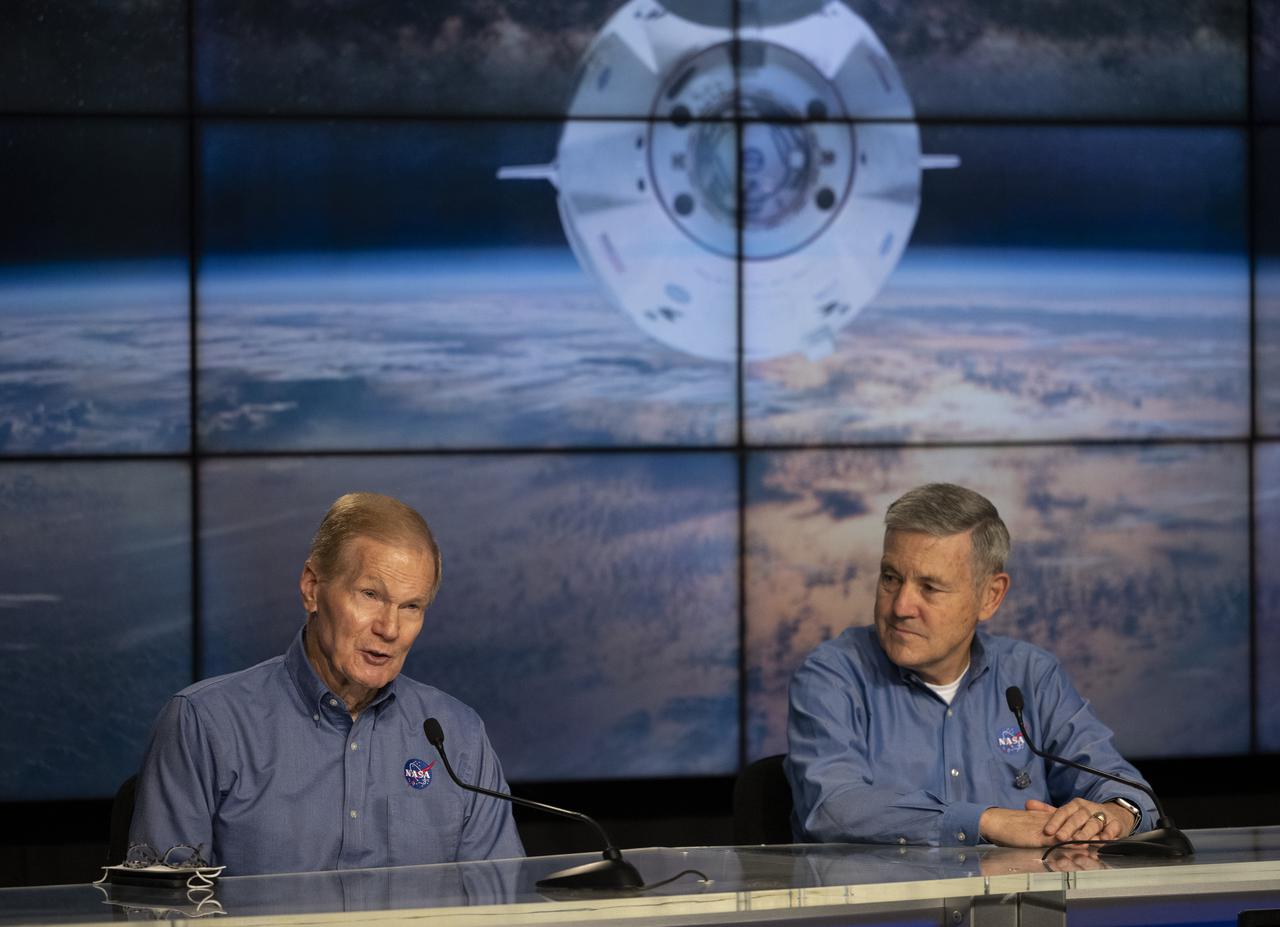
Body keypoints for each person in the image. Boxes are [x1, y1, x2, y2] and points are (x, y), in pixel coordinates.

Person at [130, 492, 524, 874]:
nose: (389, 628)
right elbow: (162, 912)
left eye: (411, 607)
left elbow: (502, 906)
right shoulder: (206, 724)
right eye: (370, 595)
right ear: (311, 588)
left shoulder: (459, 736)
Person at [785, 482, 1155, 849]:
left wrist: (1114, 815)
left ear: (990, 596)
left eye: (930, 588)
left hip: (1019, 903)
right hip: (883, 906)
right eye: (891, 578)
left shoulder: (1031, 675)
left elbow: (1122, 787)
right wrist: (986, 821)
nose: (900, 607)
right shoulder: (833, 676)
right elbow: (833, 807)